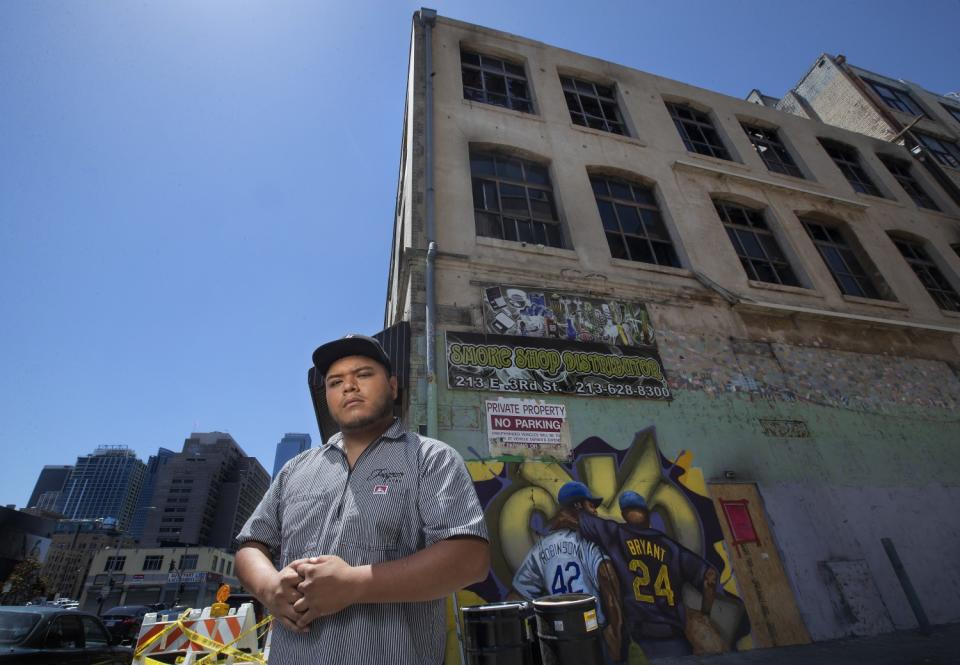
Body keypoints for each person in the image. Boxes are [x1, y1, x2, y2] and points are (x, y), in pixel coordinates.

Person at [235, 334, 490, 665]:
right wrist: (269, 587)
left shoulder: (430, 458)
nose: (349, 387)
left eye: (364, 375)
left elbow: (470, 559)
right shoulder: (295, 469)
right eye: (335, 382)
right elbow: (250, 546)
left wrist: (355, 584)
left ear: (394, 387)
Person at [576, 491, 719, 659]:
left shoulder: (616, 534)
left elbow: (581, 518)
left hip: (640, 639)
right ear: (647, 514)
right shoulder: (670, 546)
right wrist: (706, 614)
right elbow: (710, 576)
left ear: (623, 514)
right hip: (675, 639)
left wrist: (580, 505)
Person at [511, 481, 623, 664]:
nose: (595, 511)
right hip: (591, 632)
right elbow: (606, 576)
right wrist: (615, 630)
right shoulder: (588, 541)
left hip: (558, 636)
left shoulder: (541, 547)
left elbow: (517, 595)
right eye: (591, 505)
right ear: (578, 505)